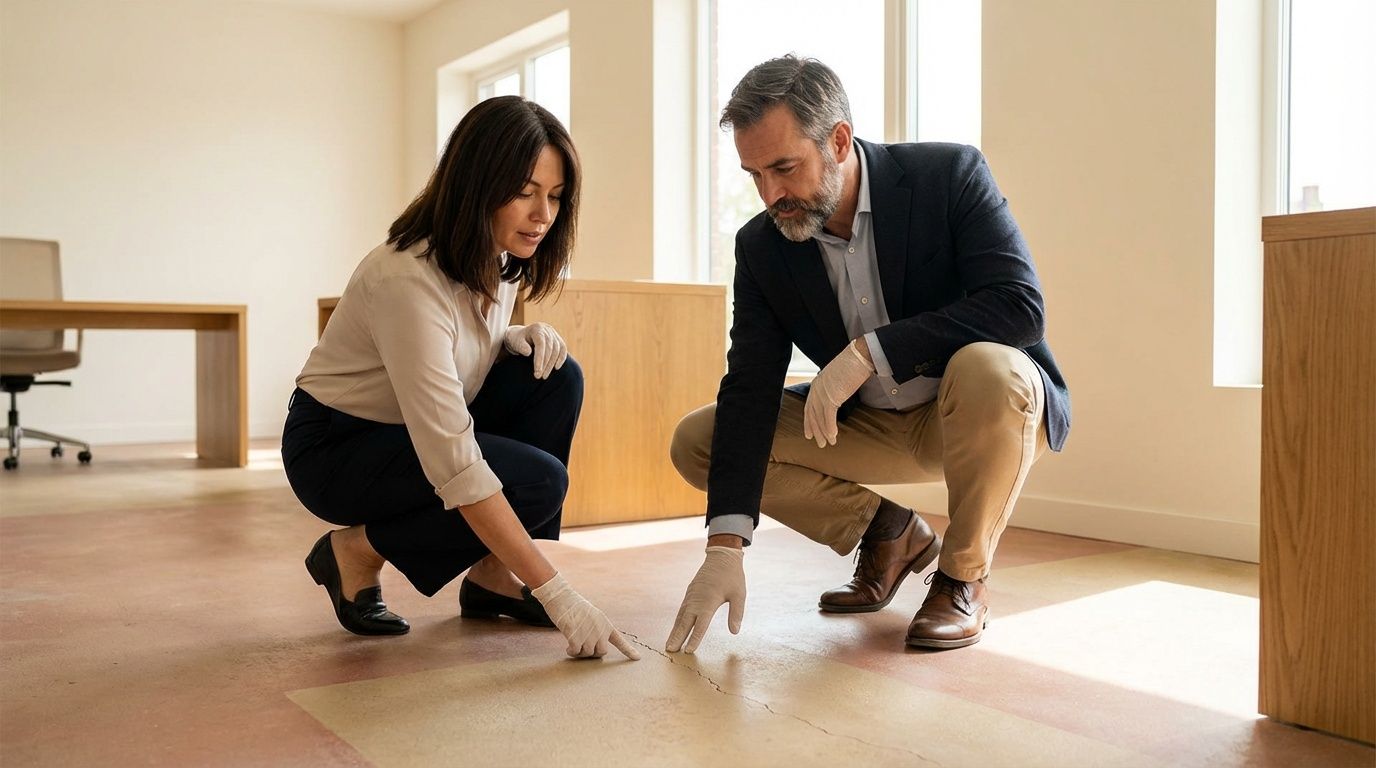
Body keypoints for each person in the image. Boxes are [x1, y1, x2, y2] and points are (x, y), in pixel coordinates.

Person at [666, 56, 1070, 653]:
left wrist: (868, 352)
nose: (770, 194)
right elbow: (750, 385)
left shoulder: (949, 174)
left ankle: (963, 580)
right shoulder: (761, 244)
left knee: (992, 364)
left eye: (783, 167)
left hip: (982, 413)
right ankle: (890, 534)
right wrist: (725, 546)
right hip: (869, 425)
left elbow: (1020, 305)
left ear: (838, 140)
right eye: (754, 174)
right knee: (699, 438)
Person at [282, 96, 638, 661]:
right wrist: (558, 591)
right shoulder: (405, 278)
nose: (543, 214)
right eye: (525, 192)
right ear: (476, 184)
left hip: (406, 428)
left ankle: (494, 578)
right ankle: (356, 551)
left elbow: (452, 355)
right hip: (337, 444)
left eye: (554, 196)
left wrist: (507, 340)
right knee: (537, 481)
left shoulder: (495, 260)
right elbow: (453, 459)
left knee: (555, 376)